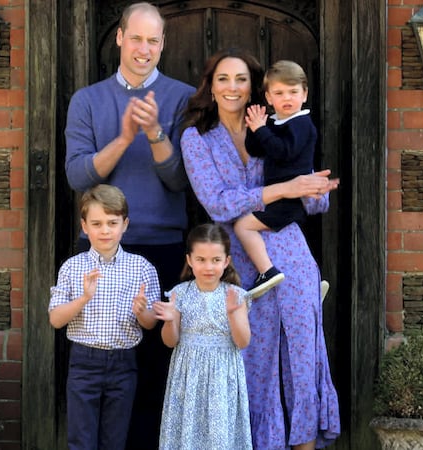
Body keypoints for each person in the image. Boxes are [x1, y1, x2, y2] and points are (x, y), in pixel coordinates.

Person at [179, 48, 341, 450]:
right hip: (238, 261)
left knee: (303, 359)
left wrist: (315, 189)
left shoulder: (278, 123)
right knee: (252, 363)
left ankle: (305, 443)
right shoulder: (196, 137)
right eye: (223, 79)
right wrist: (285, 189)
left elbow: (311, 198)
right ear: (210, 87)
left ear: (255, 88)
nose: (232, 87)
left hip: (291, 249)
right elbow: (217, 202)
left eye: (240, 79)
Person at [64, 3, 195, 447]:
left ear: (163, 44)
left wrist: (156, 133)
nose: (144, 49)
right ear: (119, 38)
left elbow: (180, 180)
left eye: (153, 40)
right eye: (135, 38)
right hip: (100, 251)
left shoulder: (183, 98)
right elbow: (78, 176)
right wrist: (123, 138)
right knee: (97, 369)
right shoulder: (88, 100)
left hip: (161, 248)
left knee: (156, 368)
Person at [48, 184, 160, 450]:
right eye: (97, 223)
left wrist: (142, 311)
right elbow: (56, 320)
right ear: (84, 226)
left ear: (125, 224)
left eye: (112, 222)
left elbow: (150, 323)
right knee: (81, 439)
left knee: (115, 439)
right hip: (84, 362)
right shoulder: (73, 267)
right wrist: (84, 298)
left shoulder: (141, 268)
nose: (105, 230)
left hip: (123, 363)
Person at [153, 223, 252, 450]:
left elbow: (243, 342)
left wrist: (234, 314)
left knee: (219, 435)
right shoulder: (180, 293)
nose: (209, 267)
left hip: (222, 375)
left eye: (216, 260)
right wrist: (169, 320)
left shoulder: (236, 296)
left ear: (226, 261)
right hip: (188, 375)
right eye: (201, 259)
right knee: (188, 432)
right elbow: (170, 341)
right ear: (189, 260)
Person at [235, 60, 317, 299]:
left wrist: (262, 130)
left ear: (305, 94)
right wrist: (255, 128)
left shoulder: (301, 123)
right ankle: (305, 284)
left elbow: (283, 152)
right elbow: (256, 149)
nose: (287, 98)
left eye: (293, 92)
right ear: (269, 98)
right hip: (278, 196)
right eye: (279, 93)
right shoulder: (276, 122)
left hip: (289, 200)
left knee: (243, 225)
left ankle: (267, 271)